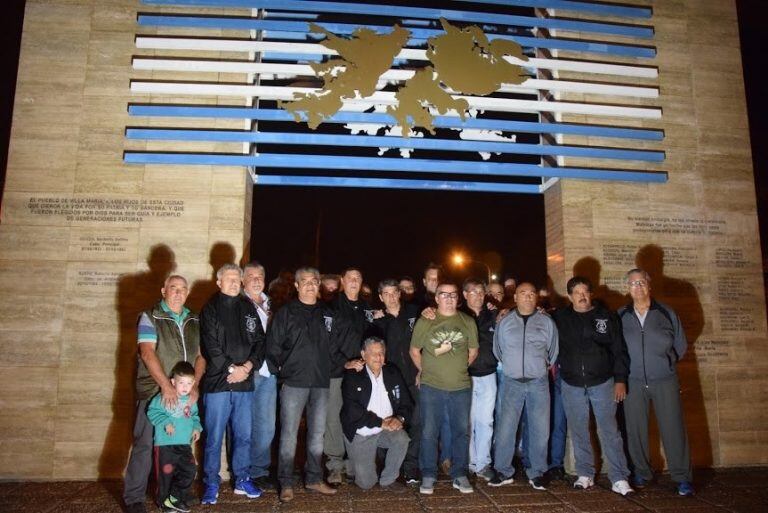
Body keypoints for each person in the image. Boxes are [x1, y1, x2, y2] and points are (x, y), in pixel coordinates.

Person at [123, 275, 203, 513]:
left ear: (187, 293)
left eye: (182, 289)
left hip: (183, 394)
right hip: (154, 391)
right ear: (163, 290)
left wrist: (195, 385)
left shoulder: (194, 319)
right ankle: (134, 498)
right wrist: (166, 387)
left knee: (180, 447)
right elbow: (147, 353)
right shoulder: (151, 316)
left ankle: (175, 495)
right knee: (145, 445)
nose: (178, 293)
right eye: (173, 288)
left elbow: (201, 356)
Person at [553, 276, 633, 496]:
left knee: (610, 431)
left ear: (591, 293)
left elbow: (619, 350)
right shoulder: (560, 318)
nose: (582, 296)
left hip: (603, 382)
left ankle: (619, 478)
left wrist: (620, 379)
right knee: (579, 431)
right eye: (577, 292)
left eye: (585, 291)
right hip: (572, 384)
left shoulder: (606, 317)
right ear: (569, 296)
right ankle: (585, 474)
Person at [618, 269, 694, 496]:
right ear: (628, 288)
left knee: (673, 429)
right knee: (635, 430)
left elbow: (680, 345)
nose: (637, 287)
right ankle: (642, 471)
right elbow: (616, 350)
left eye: (641, 282)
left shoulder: (666, 312)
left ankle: (682, 477)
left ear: (649, 286)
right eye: (632, 283)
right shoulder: (621, 314)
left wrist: (665, 363)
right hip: (633, 381)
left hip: (664, 379)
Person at [267, 267, 337, 502]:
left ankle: (314, 479)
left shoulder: (327, 314)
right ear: (296, 286)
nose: (309, 285)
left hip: (320, 382)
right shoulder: (285, 313)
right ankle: (286, 482)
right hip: (294, 383)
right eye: (304, 281)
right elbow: (273, 347)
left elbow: (335, 345)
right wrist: (283, 374)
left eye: (314, 281)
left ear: (319, 285)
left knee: (317, 434)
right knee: (288, 434)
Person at [199, 264, 265, 505]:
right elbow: (211, 347)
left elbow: (260, 341)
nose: (234, 283)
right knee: (214, 437)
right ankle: (211, 483)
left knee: (244, 435)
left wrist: (247, 368)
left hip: (244, 384)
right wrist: (231, 369)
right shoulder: (210, 309)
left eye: (237, 279)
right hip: (219, 383)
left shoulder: (248, 307)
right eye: (229, 279)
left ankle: (242, 479)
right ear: (219, 282)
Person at [409, 282, 479, 495]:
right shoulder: (426, 320)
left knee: (461, 432)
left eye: (453, 294)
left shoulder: (467, 321)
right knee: (429, 431)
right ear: (436, 298)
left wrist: (457, 368)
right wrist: (427, 370)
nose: (449, 298)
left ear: (458, 298)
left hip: (460, 388)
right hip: (432, 387)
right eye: (444, 294)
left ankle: (459, 474)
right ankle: (428, 474)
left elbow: (473, 351)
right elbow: (414, 351)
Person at [490, 282, 558, 491]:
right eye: (523, 293)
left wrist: (536, 367)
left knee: (540, 428)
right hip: (511, 382)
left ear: (536, 297)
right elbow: (498, 350)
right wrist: (513, 367)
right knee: (506, 428)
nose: (527, 297)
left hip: (538, 382)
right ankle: (503, 470)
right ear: (516, 297)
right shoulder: (505, 322)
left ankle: (538, 472)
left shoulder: (547, 322)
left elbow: (552, 351)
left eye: (531, 293)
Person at [341, 337, 413, 491]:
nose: (378, 357)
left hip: (383, 431)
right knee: (366, 484)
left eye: (381, 353)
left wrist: (399, 419)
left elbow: (407, 403)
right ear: (363, 354)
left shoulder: (392, 372)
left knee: (401, 438)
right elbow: (353, 411)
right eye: (373, 353)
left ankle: (388, 479)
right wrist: (381, 422)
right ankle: (350, 460)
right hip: (362, 433)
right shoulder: (353, 375)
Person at [325, 267, 376, 484]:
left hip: (361, 373)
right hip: (337, 371)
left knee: (358, 415)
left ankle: (354, 461)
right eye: (350, 278)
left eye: (358, 278)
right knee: (334, 418)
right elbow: (325, 343)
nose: (354, 281)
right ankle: (335, 465)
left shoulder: (367, 309)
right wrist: (345, 362)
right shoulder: (331, 307)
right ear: (342, 282)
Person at [372, 279, 421, 483]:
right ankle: (388, 466)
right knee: (390, 421)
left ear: (400, 293)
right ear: (381, 297)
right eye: (386, 293)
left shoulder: (415, 313)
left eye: (395, 292)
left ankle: (410, 469)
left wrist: (422, 369)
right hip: (390, 382)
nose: (391, 297)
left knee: (417, 423)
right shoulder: (378, 322)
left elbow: (426, 342)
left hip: (415, 377)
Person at [146, 361, 202, 513]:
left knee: (189, 470)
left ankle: (175, 497)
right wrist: (166, 422)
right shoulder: (163, 397)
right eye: (181, 382)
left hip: (184, 444)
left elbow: (195, 416)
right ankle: (164, 502)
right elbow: (152, 411)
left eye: (189, 383)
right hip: (165, 444)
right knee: (165, 474)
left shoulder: (191, 400)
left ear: (193, 384)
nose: (185, 387)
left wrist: (196, 427)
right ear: (173, 382)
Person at [242, 262, 275, 490]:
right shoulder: (237, 303)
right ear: (243, 280)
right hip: (246, 371)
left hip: (268, 371)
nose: (256, 280)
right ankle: (242, 471)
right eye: (251, 276)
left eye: (260, 276)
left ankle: (260, 470)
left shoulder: (271, 304)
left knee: (266, 425)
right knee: (244, 425)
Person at [461, 279, 498, 482]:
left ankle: (483, 463)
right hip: (465, 375)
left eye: (481, 292)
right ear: (465, 294)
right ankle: (468, 462)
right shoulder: (458, 316)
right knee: (467, 421)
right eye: (473, 292)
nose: (478, 295)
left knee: (486, 421)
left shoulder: (493, 314)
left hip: (488, 374)